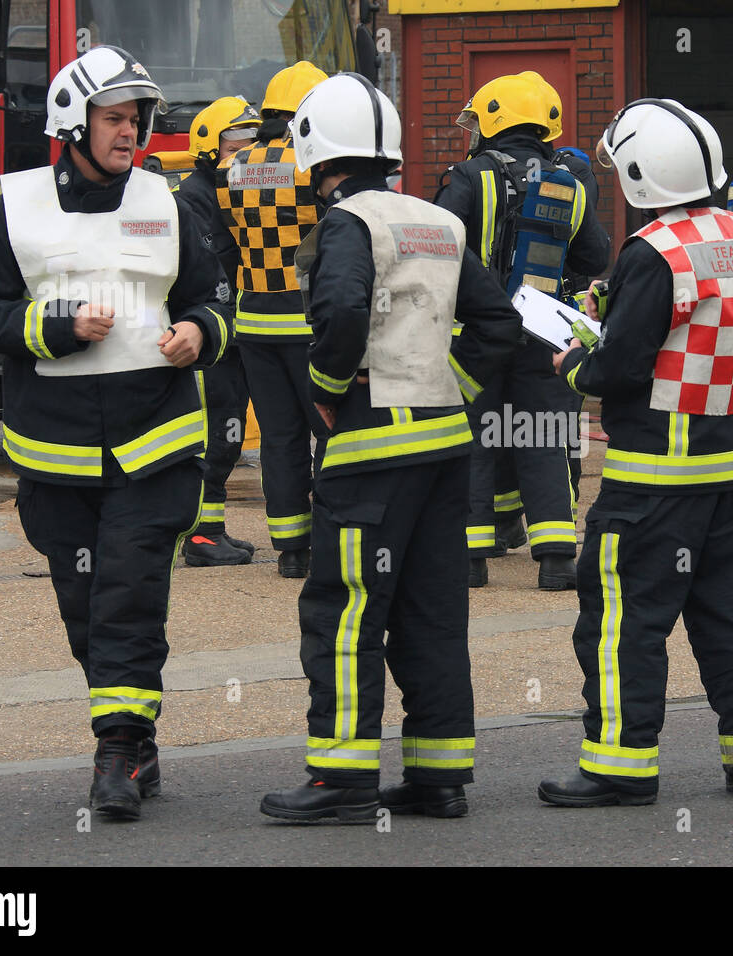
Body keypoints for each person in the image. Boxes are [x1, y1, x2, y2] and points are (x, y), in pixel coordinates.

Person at [0, 46, 229, 820]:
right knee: (86, 603)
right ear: (73, 123)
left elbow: (216, 294)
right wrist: (56, 326)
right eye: (115, 118)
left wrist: (201, 333)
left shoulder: (169, 202)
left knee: (128, 595)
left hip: (157, 447)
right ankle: (136, 743)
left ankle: (115, 750)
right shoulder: (15, 208)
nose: (131, 132)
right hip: (57, 458)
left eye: (137, 118)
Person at [258, 73, 521, 823]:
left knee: (344, 611)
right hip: (443, 452)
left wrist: (325, 387)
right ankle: (440, 778)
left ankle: (341, 779)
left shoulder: (346, 222)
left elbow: (340, 309)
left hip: (371, 452)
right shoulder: (436, 220)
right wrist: (453, 384)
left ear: (318, 154)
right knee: (431, 612)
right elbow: (498, 324)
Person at [538, 98, 733, 807]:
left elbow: (621, 367)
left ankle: (620, 767)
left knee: (623, 623)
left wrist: (575, 365)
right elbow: (710, 324)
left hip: (653, 483)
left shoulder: (653, 252)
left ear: (643, 173)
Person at [435, 71, 611, 590]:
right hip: (544, 332)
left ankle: (470, 558)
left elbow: (441, 244)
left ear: (492, 120)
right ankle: (556, 556)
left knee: (474, 436)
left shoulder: (468, 176)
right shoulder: (570, 182)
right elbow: (595, 256)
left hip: (475, 332)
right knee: (544, 435)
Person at [217, 61, 328, 577]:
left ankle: (290, 549)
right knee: (330, 432)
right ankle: (328, 538)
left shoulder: (233, 168)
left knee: (281, 439)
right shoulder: (314, 166)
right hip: (307, 323)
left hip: (254, 321)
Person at [174, 96, 261, 565]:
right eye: (237, 141)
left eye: (252, 139)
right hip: (211, 336)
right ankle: (201, 536)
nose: (246, 149)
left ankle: (209, 529)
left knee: (227, 436)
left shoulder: (235, 190)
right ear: (209, 147)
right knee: (215, 436)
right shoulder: (193, 201)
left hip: (233, 330)